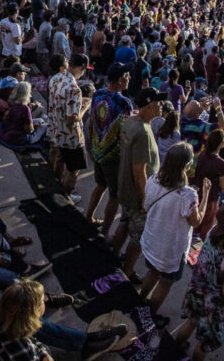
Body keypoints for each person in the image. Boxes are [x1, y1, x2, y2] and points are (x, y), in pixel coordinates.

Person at [0, 279, 125, 361]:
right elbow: (27, 348)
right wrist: (43, 354)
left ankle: (86, 341)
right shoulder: (24, 350)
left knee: (34, 328)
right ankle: (86, 342)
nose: (45, 302)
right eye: (42, 301)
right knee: (38, 333)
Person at [171, 199, 224, 361]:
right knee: (206, 341)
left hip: (196, 288)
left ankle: (173, 348)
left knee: (191, 321)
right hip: (212, 302)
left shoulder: (213, 231)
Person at [140, 142, 212, 322]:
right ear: (187, 166)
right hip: (170, 250)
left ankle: (139, 301)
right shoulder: (187, 195)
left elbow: (145, 205)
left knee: (152, 272)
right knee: (165, 283)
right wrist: (205, 195)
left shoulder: (153, 179)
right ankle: (149, 317)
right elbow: (196, 221)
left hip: (152, 240)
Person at [112, 86, 164, 273]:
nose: (161, 106)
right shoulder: (142, 132)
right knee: (138, 238)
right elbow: (139, 171)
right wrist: (145, 199)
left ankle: (113, 256)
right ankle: (126, 272)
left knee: (124, 223)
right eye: (157, 103)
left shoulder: (131, 121)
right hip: (136, 195)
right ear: (148, 106)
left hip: (125, 188)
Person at [85, 62, 133, 232]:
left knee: (100, 185)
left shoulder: (98, 94)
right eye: (127, 76)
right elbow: (125, 133)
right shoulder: (124, 104)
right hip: (113, 157)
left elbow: (91, 122)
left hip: (97, 150)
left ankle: (88, 217)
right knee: (114, 195)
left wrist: (91, 146)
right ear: (120, 80)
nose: (129, 79)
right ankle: (105, 231)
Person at [47, 53, 88, 204]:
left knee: (59, 160)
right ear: (81, 68)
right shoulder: (74, 89)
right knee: (73, 169)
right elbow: (72, 119)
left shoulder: (56, 78)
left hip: (56, 130)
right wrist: (84, 108)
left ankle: (55, 191)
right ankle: (66, 197)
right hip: (71, 136)